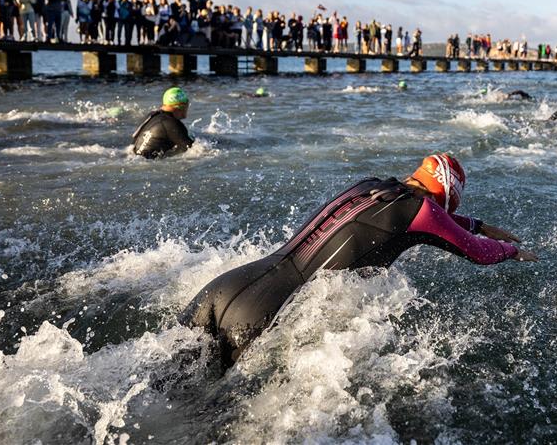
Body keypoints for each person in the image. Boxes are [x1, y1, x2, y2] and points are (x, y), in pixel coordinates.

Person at [181, 153, 537, 367]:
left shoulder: (369, 185)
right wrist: (511, 251)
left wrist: (478, 224)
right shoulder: (423, 210)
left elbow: (431, 217)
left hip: (228, 285)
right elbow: (476, 251)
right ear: (445, 197)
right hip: (264, 311)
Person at [131, 87, 194, 158]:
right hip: (148, 163)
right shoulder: (171, 123)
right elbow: (193, 149)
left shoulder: (151, 116)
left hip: (133, 156)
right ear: (182, 106)